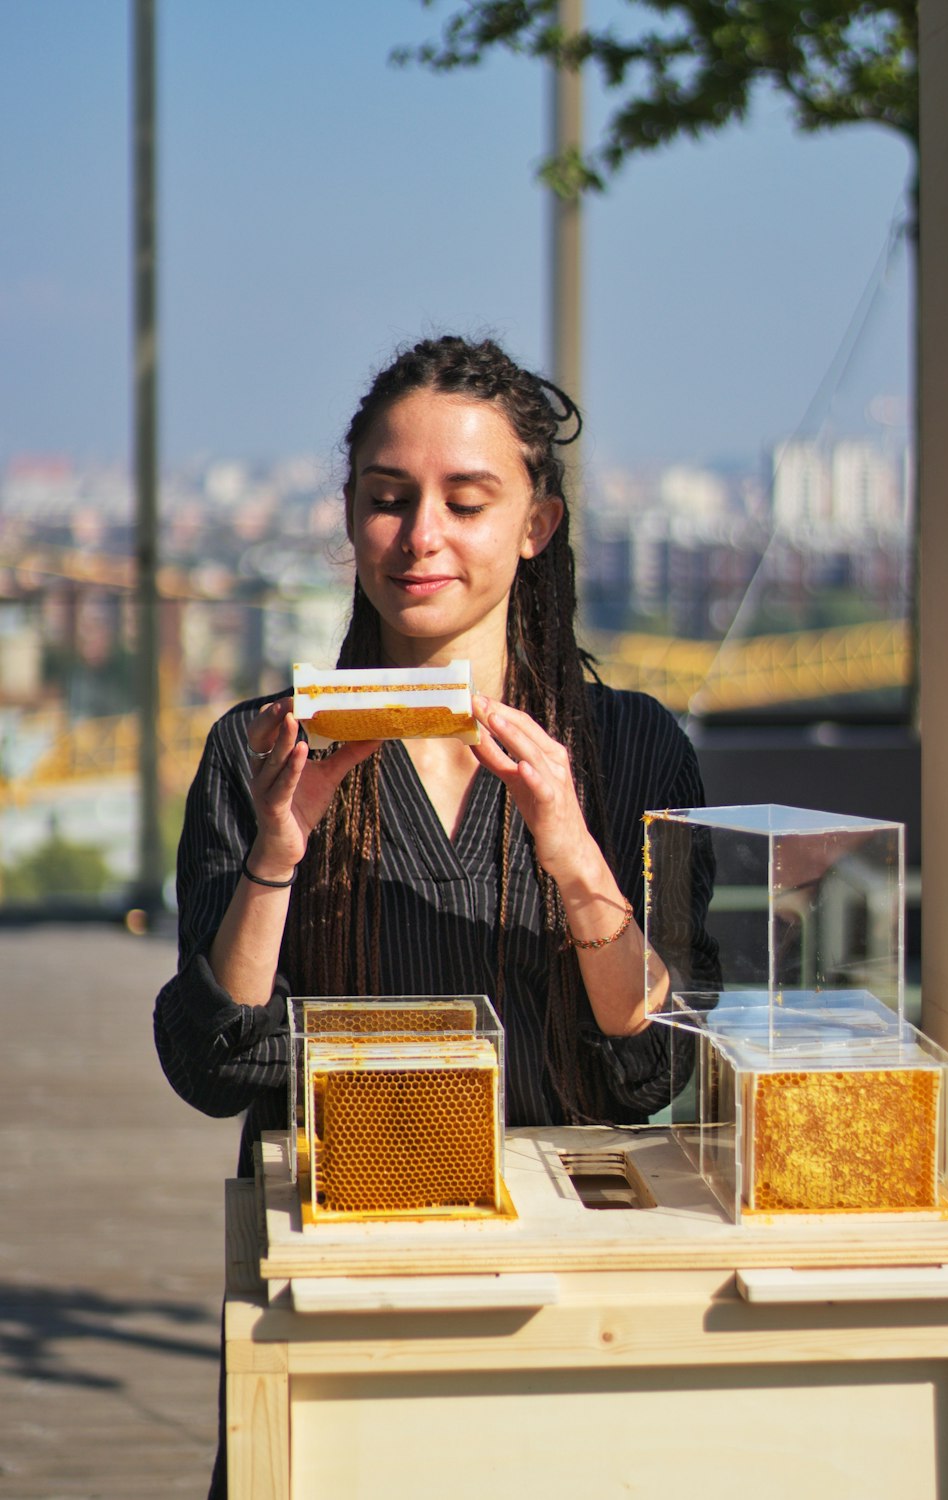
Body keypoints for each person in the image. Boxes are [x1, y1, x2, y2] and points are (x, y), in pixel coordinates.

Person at [154, 334, 719, 1496]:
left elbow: (650, 1065)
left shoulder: (629, 748)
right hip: (337, 1289)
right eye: (387, 500)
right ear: (349, 513)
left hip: (575, 1296)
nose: (421, 539)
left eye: (467, 502)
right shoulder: (260, 749)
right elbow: (214, 1062)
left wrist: (568, 847)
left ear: (536, 526)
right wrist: (278, 847)